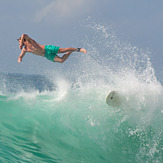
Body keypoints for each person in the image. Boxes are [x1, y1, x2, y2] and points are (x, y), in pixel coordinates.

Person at [17, 34, 87, 63]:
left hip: (47, 49)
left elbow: (24, 35)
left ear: (23, 40)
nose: (19, 43)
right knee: (61, 60)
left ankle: (78, 49)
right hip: (46, 55)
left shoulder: (30, 41)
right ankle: (70, 52)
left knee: (62, 50)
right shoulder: (25, 49)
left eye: (20, 41)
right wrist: (20, 58)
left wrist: (20, 44)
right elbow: (21, 56)